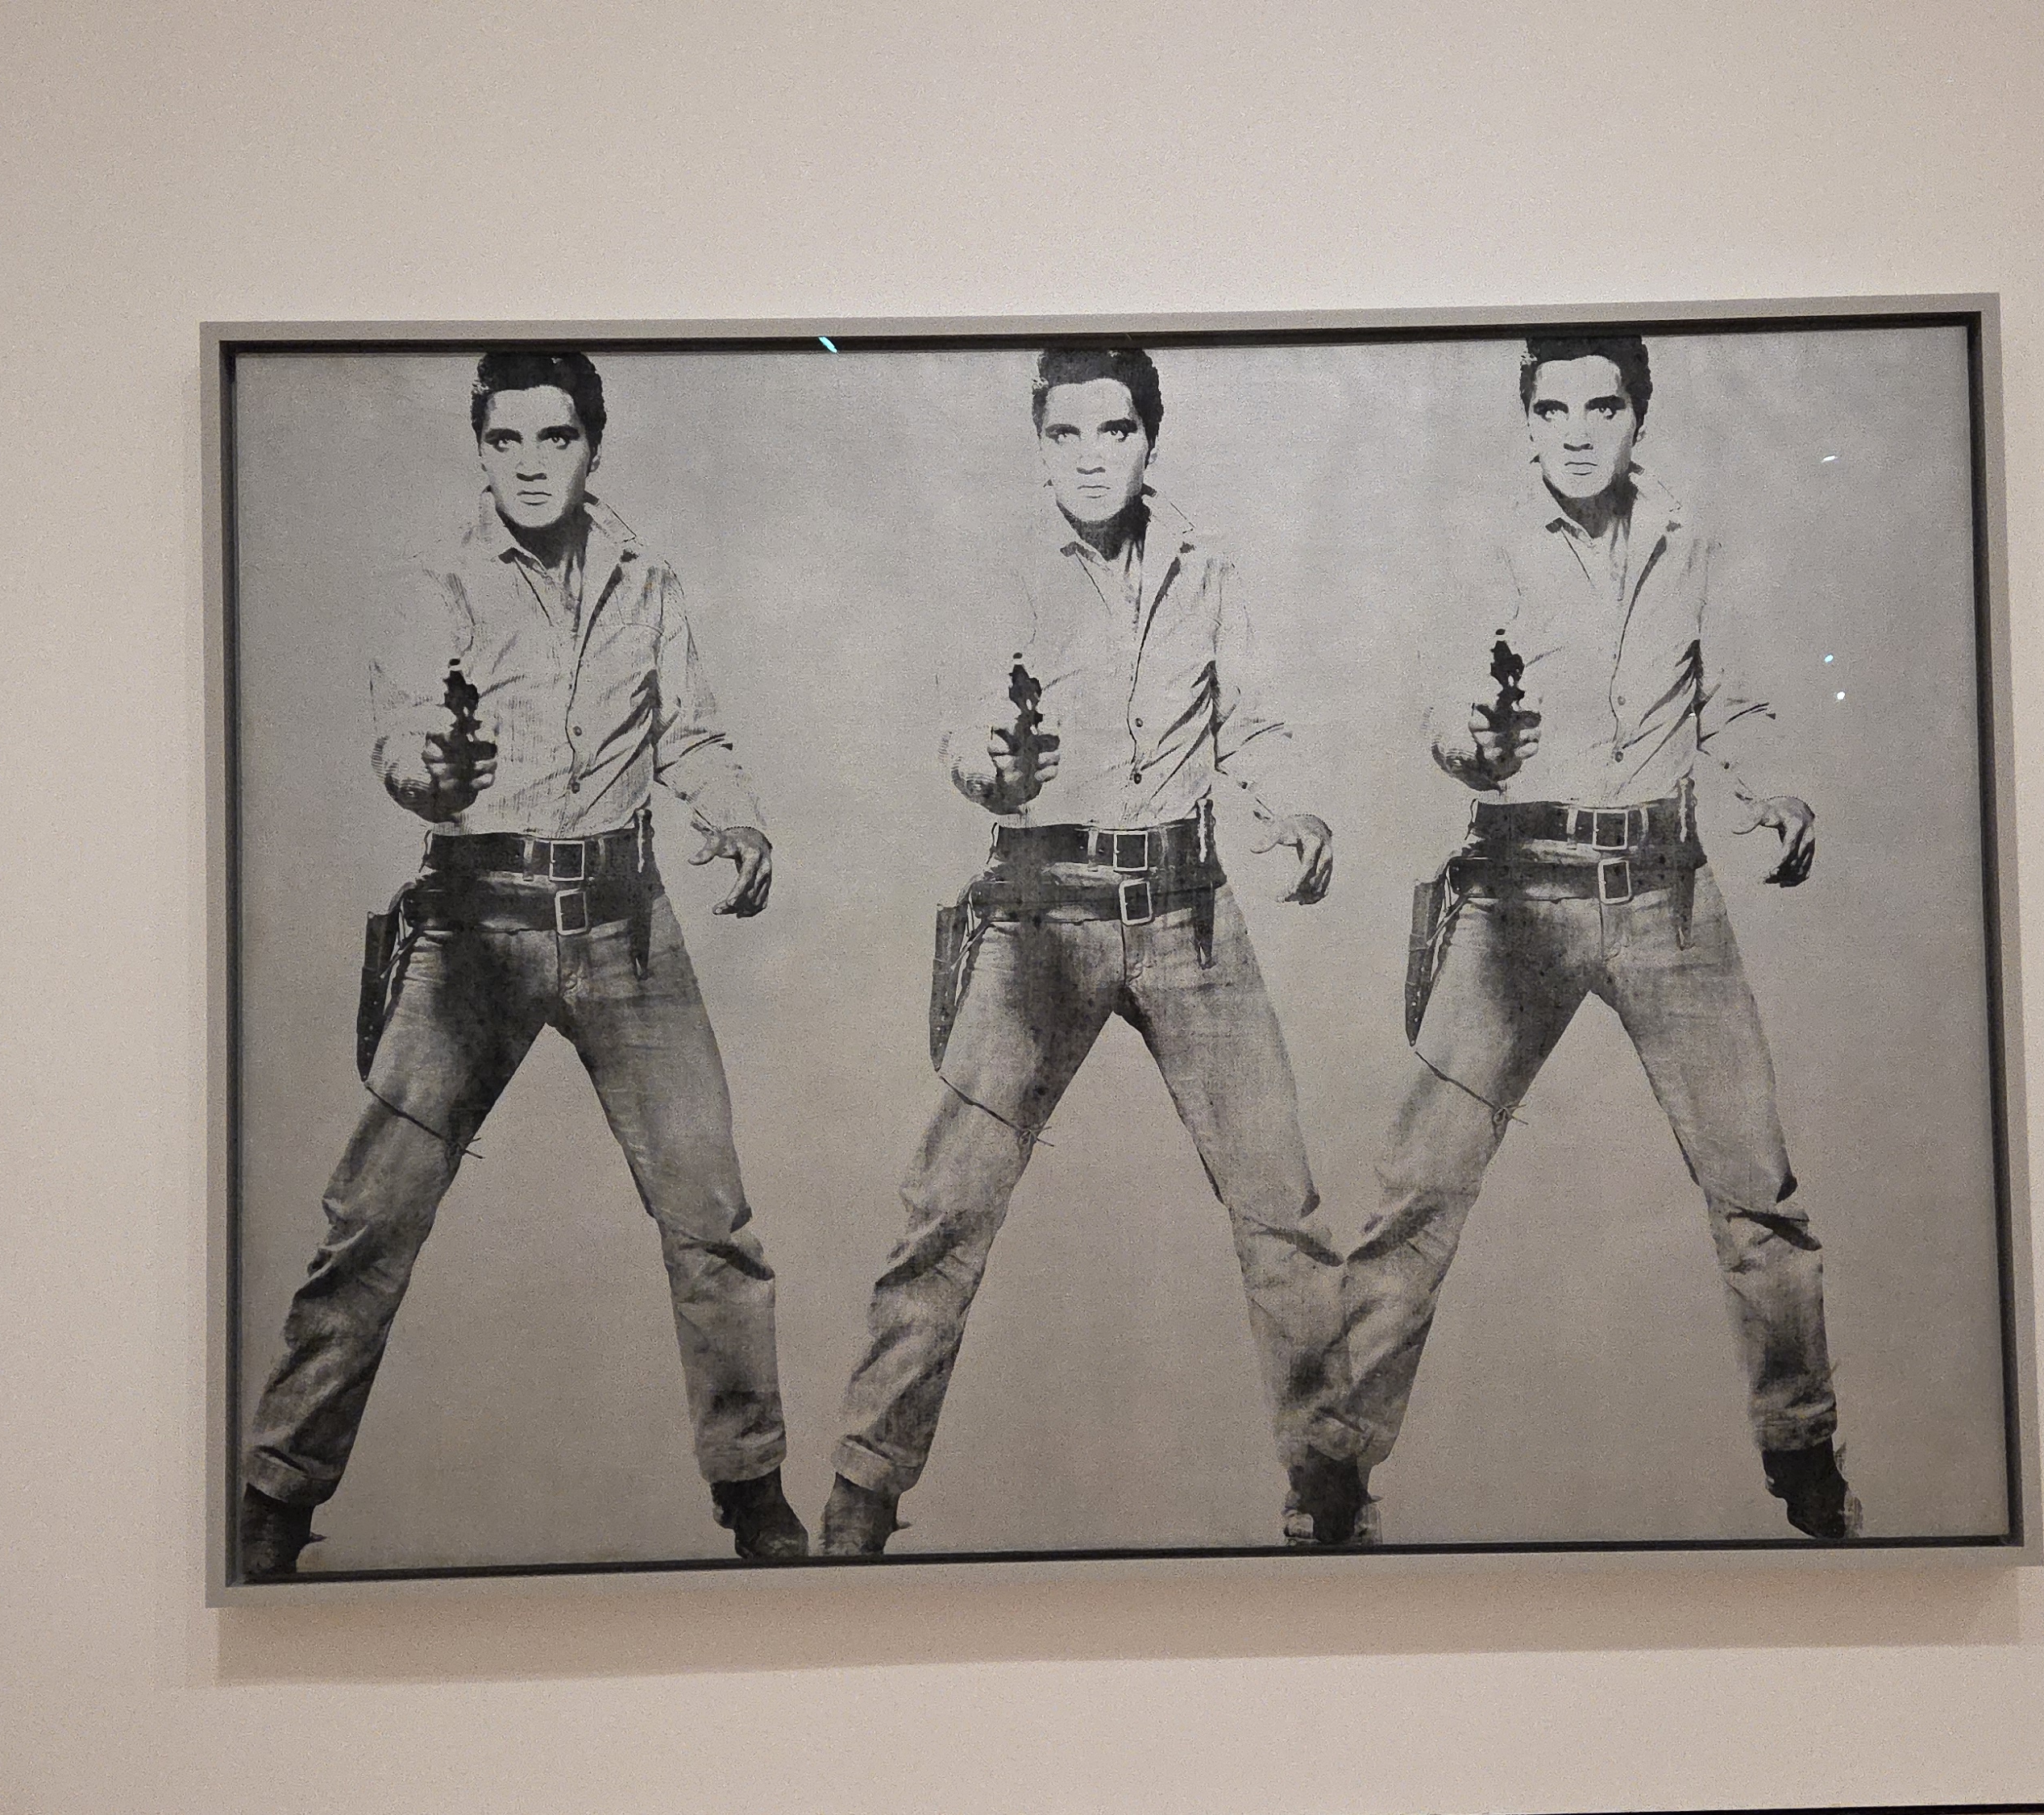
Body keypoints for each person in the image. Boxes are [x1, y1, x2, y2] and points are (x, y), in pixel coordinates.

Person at [236, 350, 807, 1576]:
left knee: (711, 1216)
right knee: (371, 1217)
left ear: (593, 447)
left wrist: (739, 819)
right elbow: (404, 739)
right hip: (474, 923)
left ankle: (753, 1486)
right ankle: (274, 1497)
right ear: (480, 450)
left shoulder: (648, 578)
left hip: (624, 922)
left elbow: (692, 734)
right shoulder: (437, 581)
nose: (533, 466)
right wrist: (432, 774)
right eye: (507, 442)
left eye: (557, 440)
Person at [820, 346, 1368, 1554]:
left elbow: (1251, 726)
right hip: (1039, 907)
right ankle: (861, 1489)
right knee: (948, 1207)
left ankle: (1331, 1480)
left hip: (1186, 905)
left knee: (1280, 1204)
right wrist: (993, 769)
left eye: (1113, 432)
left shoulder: (1206, 570)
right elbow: (965, 735)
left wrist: (1290, 812)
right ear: (1040, 443)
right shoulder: (1002, 575)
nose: (1089, 459)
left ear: (1148, 439)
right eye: (1064, 435)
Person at [1319, 334, 1861, 1542]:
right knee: (1418, 1191)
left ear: (1637, 417)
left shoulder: (1689, 541)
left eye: (1602, 407)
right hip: (1520, 891)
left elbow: (1728, 701)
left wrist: (1774, 790)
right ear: (1526, 422)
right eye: (1553, 409)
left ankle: (1805, 1455)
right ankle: (1332, 1468)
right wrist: (1471, 743)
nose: (1577, 432)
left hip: (1669, 891)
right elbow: (1442, 702)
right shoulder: (1486, 548)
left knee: (1757, 1194)